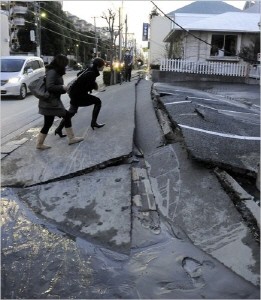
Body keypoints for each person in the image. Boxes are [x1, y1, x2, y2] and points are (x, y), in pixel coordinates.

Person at [36, 54, 84, 149]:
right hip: (51, 103)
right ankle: (71, 138)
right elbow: (50, 87)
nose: (66, 66)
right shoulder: (52, 72)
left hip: (50, 102)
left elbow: (53, 86)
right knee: (66, 116)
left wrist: (63, 89)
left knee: (48, 123)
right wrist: (63, 87)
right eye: (65, 63)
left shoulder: (54, 71)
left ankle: (39, 144)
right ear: (61, 63)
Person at [55, 57, 105, 135]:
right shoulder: (92, 74)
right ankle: (93, 123)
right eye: (103, 66)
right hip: (78, 95)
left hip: (74, 94)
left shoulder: (89, 69)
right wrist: (94, 86)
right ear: (98, 66)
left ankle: (58, 129)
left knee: (71, 112)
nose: (103, 67)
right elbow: (87, 86)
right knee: (98, 101)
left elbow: (79, 74)